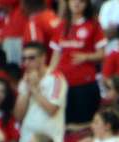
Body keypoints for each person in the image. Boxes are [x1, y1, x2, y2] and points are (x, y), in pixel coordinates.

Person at [49, 0, 103, 129]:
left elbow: (102, 54)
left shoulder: (93, 25)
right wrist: (50, 75)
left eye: (81, 1)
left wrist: (86, 56)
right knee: (65, 124)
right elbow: (55, 56)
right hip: (63, 84)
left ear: (86, 5)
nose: (77, 3)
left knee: (83, 124)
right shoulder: (61, 26)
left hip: (84, 84)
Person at [14, 41, 68, 142]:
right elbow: (18, 116)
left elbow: (52, 110)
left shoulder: (56, 78)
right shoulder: (24, 80)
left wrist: (34, 89)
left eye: (31, 58)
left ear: (43, 58)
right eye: (24, 59)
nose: (27, 63)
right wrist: (27, 90)